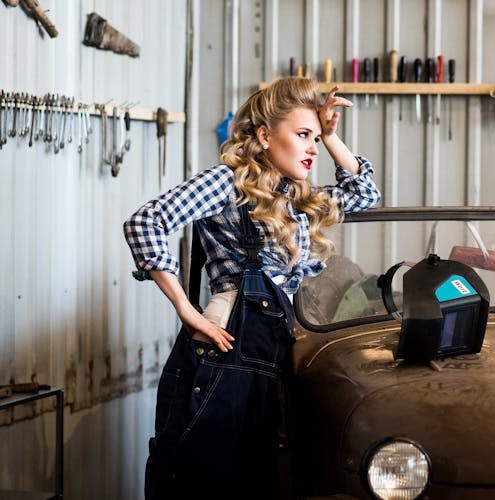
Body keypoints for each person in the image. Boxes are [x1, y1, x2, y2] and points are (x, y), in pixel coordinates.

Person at [123, 77, 381, 499]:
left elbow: (364, 193)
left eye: (316, 137)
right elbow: (146, 222)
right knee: (205, 482)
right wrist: (187, 310)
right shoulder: (226, 184)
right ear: (264, 135)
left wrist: (333, 137)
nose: (313, 148)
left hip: (276, 353)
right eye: (303, 135)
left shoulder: (296, 196)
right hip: (226, 357)